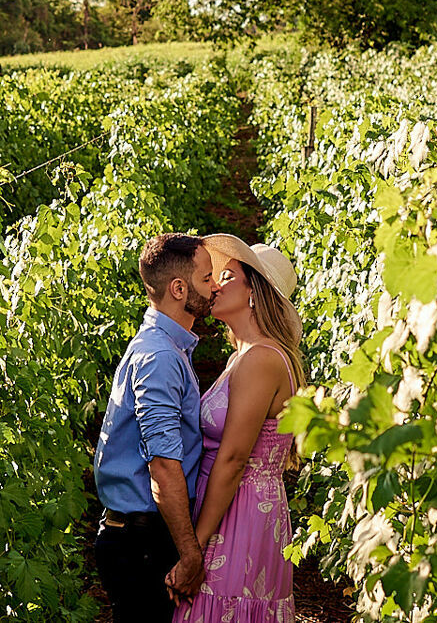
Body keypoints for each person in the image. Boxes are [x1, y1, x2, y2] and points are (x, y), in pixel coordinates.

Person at [168, 234, 306, 623]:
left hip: (240, 512)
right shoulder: (243, 356)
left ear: (254, 292)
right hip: (234, 505)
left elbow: (232, 458)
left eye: (226, 276)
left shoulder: (261, 359)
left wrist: (193, 546)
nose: (214, 284)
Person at [94, 233, 217, 622]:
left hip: (141, 535)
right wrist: (189, 552)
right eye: (207, 278)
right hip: (141, 541)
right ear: (179, 289)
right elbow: (162, 465)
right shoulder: (160, 357)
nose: (215, 287)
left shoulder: (165, 347)